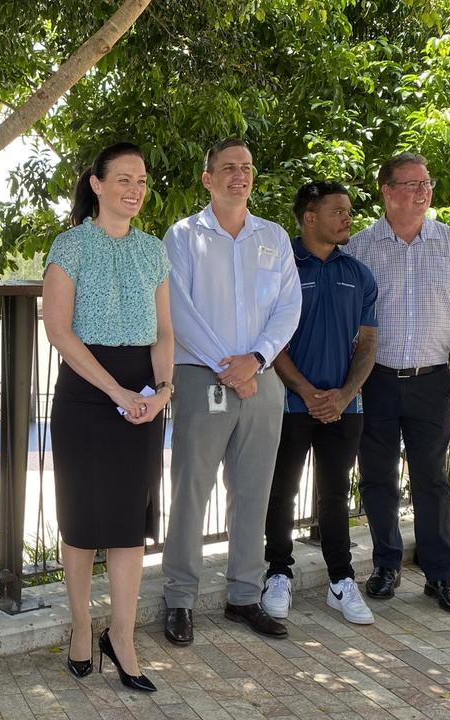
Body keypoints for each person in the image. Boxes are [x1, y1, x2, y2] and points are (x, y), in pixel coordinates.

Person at [161, 138, 302, 646]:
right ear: (208, 178)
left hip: (261, 378)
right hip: (203, 376)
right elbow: (178, 310)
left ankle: (244, 595)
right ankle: (179, 597)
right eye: (227, 168)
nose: (238, 176)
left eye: (245, 167)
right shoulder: (181, 237)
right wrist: (230, 365)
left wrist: (256, 359)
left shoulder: (275, 237)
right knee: (191, 488)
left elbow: (289, 307)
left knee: (253, 491)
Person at [44, 143, 172, 691]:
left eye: (141, 181)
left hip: (143, 396)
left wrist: (161, 391)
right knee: (81, 523)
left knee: (128, 527)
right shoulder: (69, 246)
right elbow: (59, 331)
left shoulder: (153, 252)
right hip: (87, 395)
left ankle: (121, 636)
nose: (135, 189)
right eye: (123, 179)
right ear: (96, 185)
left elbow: (166, 332)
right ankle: (79, 626)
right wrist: (115, 389)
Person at [346, 153, 450, 615]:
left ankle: (440, 574)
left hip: (433, 381)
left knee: (432, 480)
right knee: (377, 478)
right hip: (375, 382)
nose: (422, 191)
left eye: (426, 183)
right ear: (387, 192)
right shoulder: (359, 248)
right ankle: (386, 565)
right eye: (410, 184)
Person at [262, 181, 378, 625]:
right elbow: (270, 340)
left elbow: (368, 344)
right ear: (310, 217)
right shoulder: (281, 266)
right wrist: (307, 392)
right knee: (281, 493)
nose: (348, 218)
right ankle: (278, 573)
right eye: (338, 211)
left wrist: (344, 395)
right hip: (290, 405)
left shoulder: (359, 273)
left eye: (349, 210)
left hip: (344, 409)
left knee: (334, 495)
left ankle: (341, 581)